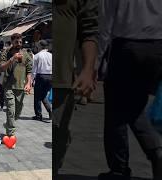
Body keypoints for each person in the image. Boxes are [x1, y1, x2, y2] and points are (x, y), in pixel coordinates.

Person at [99, 1, 162, 179]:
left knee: (115, 109)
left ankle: (119, 168)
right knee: (135, 104)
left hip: (127, 46)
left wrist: (94, 65)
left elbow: (106, 23)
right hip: (157, 46)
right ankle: (155, 152)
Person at [53, 0, 98, 176]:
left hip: (64, 81)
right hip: (55, 80)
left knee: (58, 143)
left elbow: (90, 30)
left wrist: (87, 70)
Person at [0, 33, 33, 148]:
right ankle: (11, 136)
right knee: (10, 111)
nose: (19, 44)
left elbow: (29, 71)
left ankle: (9, 124)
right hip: (8, 87)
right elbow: (1, 67)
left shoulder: (26, 55)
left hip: (21, 88)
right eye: (16, 42)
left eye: (20, 42)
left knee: (17, 113)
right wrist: (12, 59)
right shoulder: (5, 53)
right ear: (12, 42)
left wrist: (29, 83)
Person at [32, 40, 52, 121]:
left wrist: (32, 80)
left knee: (37, 96)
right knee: (43, 95)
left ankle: (38, 115)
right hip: (50, 77)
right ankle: (50, 111)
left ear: (40, 46)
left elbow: (34, 70)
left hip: (41, 76)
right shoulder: (51, 55)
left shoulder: (37, 56)